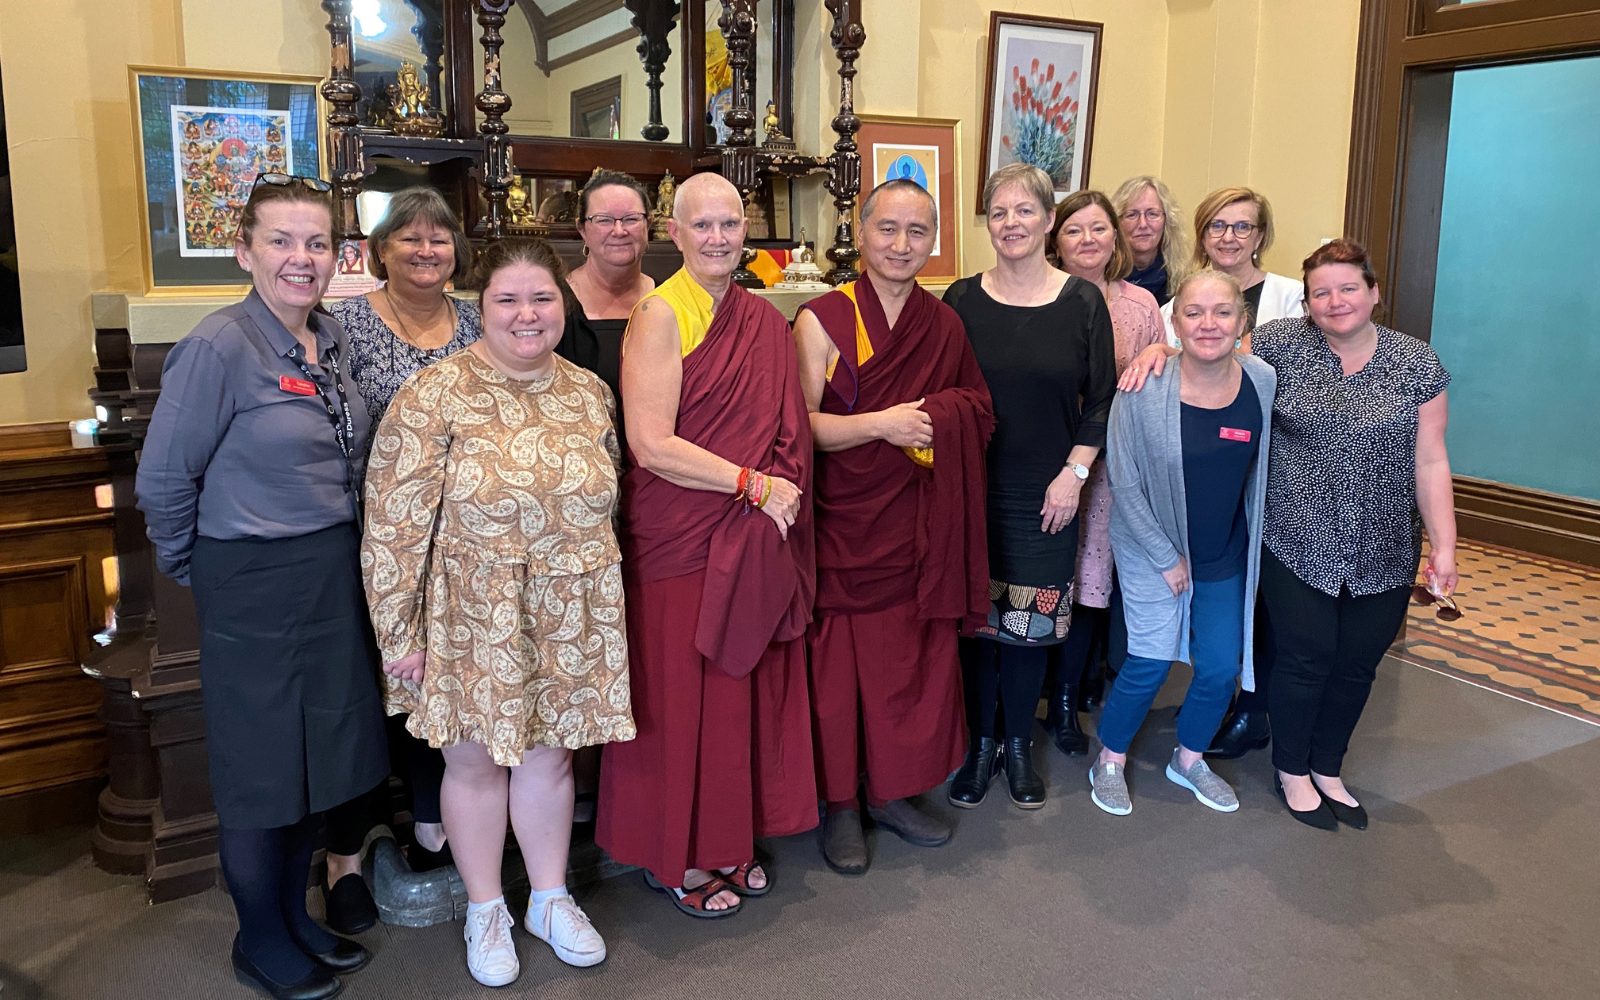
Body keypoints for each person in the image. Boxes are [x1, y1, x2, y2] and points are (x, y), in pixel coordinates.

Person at [136, 173, 384, 1000]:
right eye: (280, 240)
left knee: (319, 759)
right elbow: (165, 481)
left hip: (329, 573)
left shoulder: (332, 340)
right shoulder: (217, 347)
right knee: (261, 769)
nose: (300, 258)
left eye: (316, 242)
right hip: (250, 578)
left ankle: (295, 913)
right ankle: (260, 938)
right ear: (244, 249)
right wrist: (198, 566)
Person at [361, 238, 634, 987]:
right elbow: (392, 525)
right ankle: (486, 908)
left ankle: (549, 898)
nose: (525, 315)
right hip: (468, 612)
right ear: (478, 308)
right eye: (506, 300)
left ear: (562, 306)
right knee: (474, 761)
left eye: (540, 298)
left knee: (551, 758)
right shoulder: (432, 394)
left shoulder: (588, 391)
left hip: (572, 606)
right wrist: (399, 634)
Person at [1122, 239, 1457, 830]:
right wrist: (1156, 346)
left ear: (1374, 293)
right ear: (1306, 302)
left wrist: (1445, 547)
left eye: (1348, 287)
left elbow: (1430, 460)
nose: (1335, 301)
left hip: (1385, 544)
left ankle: (1328, 767)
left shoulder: (1416, 362)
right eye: (1320, 292)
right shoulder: (1280, 346)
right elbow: (1207, 347)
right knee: (1303, 660)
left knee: (1357, 666)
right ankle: (1293, 770)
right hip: (1294, 538)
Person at [596, 172, 818, 917]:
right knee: (679, 694)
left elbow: (788, 424)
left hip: (746, 534)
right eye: (704, 226)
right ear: (677, 232)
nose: (719, 238)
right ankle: (674, 855)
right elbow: (651, 444)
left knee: (735, 696)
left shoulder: (760, 317)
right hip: (681, 536)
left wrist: (773, 490)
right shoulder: (662, 312)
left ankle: (726, 839)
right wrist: (753, 485)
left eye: (731, 224)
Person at [793, 178, 995, 874]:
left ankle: (894, 792)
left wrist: (942, 418)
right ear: (861, 228)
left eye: (917, 232)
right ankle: (841, 805)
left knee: (908, 667)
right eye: (888, 229)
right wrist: (882, 423)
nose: (901, 244)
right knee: (839, 675)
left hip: (916, 525)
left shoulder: (944, 324)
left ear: (932, 240)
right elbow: (798, 431)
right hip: (843, 527)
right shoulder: (822, 318)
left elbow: (977, 405)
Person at [324, 185, 480, 930]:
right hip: (371, 537)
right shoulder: (344, 326)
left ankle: (431, 824)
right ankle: (345, 854)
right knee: (363, 689)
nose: (425, 250)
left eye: (439, 238)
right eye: (409, 238)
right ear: (379, 250)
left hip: (462, 545)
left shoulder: (480, 321)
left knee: (437, 683)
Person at [942, 163, 1117, 810]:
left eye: (1024, 211)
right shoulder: (960, 300)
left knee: (1028, 630)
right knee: (976, 626)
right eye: (999, 212)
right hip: (972, 489)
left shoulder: (1080, 302)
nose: (1011, 223)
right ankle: (978, 744)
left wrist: (1073, 475)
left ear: (1048, 221)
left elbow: (1100, 401)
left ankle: (1018, 744)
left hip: (1050, 493)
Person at [1089, 271, 1275, 816]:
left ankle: (1189, 758)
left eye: (1222, 312)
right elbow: (1123, 480)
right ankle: (1110, 758)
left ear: (1243, 321)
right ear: (1175, 322)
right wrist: (1167, 558)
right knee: (1147, 661)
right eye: (1194, 312)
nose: (1208, 324)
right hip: (1152, 547)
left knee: (1220, 667)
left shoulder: (1262, 379)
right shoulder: (1142, 385)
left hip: (1223, 551)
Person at [1043, 189, 1166, 757]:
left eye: (1098, 229)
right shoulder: (1041, 296)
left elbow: (1161, 378)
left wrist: (1160, 354)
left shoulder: (1139, 305)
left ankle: (1068, 699)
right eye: (1074, 230)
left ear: (1115, 238)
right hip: (1046, 460)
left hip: (1111, 466)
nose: (1087, 240)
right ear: (1055, 239)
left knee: (1090, 585)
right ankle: (1037, 689)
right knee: (1044, 575)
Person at [557, 168, 656, 404]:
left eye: (631, 219)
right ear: (582, 229)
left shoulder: (672, 301)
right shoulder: (554, 305)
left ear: (648, 225)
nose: (619, 231)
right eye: (604, 220)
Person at [1160, 186, 1302, 344]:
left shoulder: (1291, 298)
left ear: (1259, 238)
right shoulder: (1177, 305)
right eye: (1217, 225)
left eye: (1243, 227)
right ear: (1203, 236)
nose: (1228, 237)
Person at [1112, 175, 1187, 306]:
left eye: (1152, 214)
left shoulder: (1182, 278)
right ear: (1117, 223)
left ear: (1167, 220)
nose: (1143, 224)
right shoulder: (1103, 275)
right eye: (1131, 215)